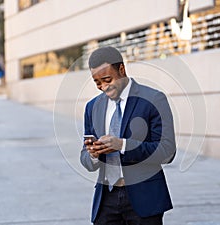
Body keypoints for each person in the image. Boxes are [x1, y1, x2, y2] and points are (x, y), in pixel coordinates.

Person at [80, 46, 176, 225]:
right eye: (97, 82)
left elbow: (167, 151)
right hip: (105, 201)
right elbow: (84, 155)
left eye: (107, 79)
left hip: (144, 199)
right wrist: (93, 155)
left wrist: (123, 145)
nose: (103, 87)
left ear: (122, 70)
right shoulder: (92, 107)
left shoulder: (154, 100)